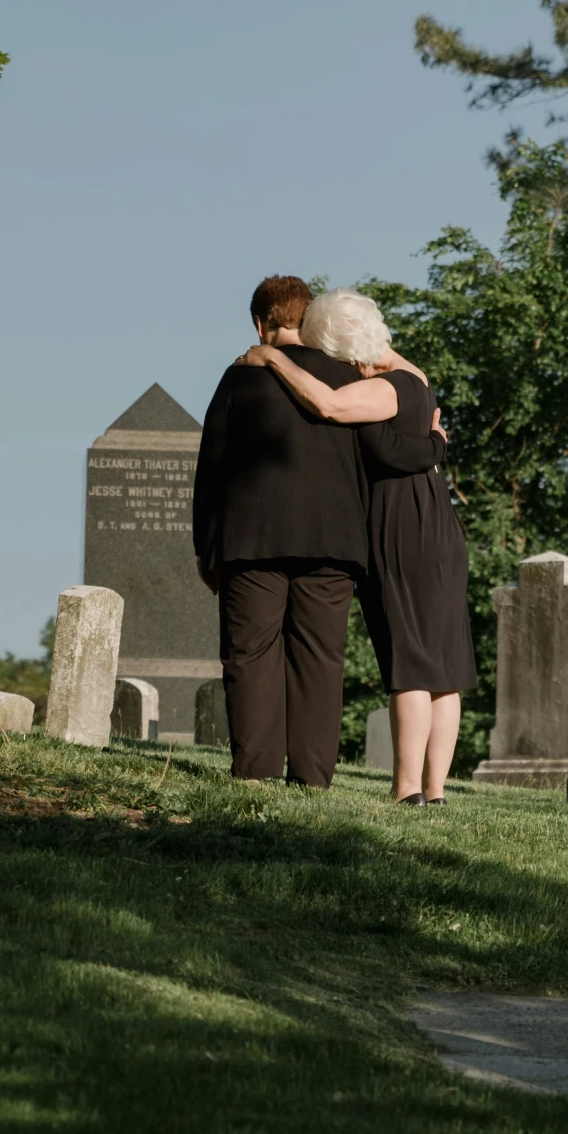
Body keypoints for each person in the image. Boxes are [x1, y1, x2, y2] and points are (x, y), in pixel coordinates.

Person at [241, 288, 476, 804]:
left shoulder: (384, 391)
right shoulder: (414, 380)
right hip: (435, 524)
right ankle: (435, 791)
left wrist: (274, 357)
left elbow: (326, 405)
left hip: (401, 527)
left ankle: (407, 789)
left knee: (411, 662)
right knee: (444, 669)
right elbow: (406, 398)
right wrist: (435, 444)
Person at [191, 274, 370, 786]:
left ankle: (256, 770)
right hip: (333, 540)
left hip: (251, 540)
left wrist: (207, 548)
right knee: (320, 658)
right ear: (308, 318)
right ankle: (313, 778)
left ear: (258, 322)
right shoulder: (344, 377)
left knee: (251, 654)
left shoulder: (240, 377)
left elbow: (212, 467)